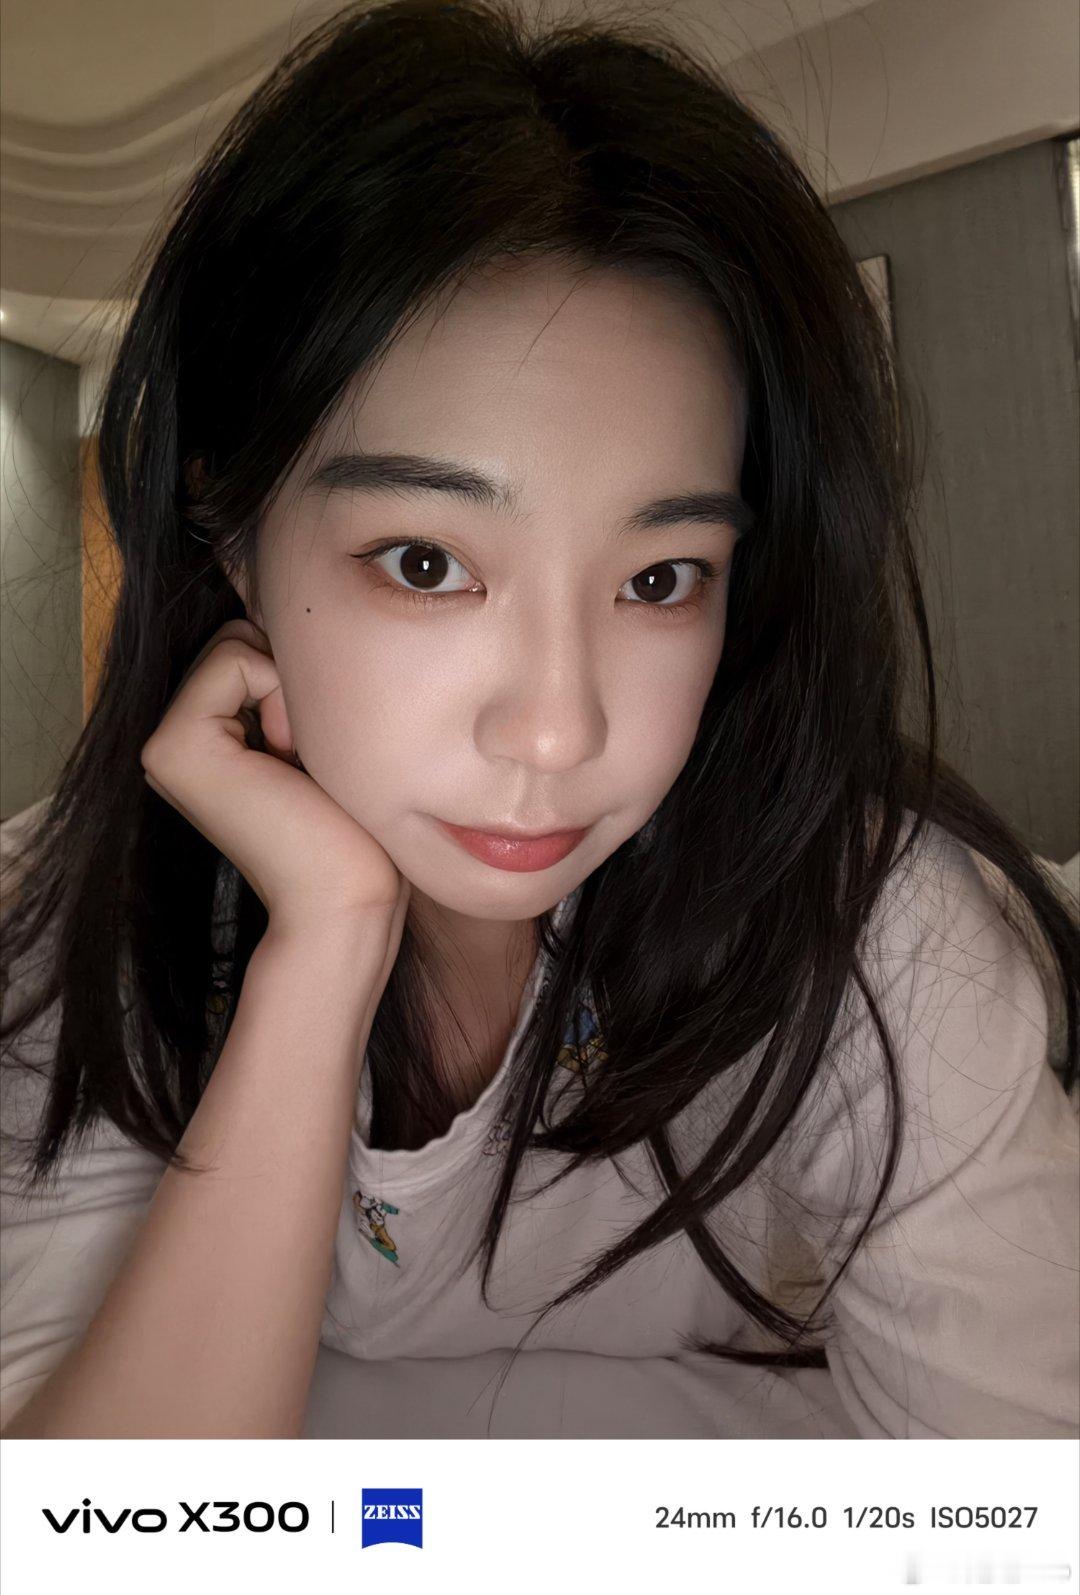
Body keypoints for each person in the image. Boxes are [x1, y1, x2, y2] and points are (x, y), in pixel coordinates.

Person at [1, 0, 1077, 1442]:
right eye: (426, 564)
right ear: (233, 535)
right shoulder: (79, 925)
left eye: (659, 578)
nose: (559, 733)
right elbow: (99, 1529)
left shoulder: (880, 935)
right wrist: (323, 949)